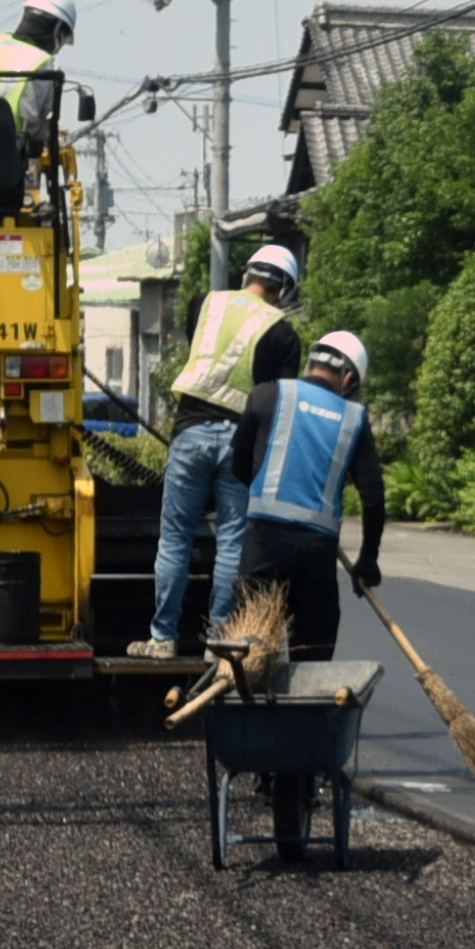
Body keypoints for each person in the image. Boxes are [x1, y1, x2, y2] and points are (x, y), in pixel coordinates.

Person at [145, 242, 300, 653]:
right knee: (232, 541)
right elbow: (280, 401)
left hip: (190, 431)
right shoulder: (284, 332)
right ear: (284, 288)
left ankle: (163, 638)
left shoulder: (205, 303)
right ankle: (220, 640)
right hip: (241, 442)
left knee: (175, 536)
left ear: (247, 273)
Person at [231, 325, 392, 661]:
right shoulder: (355, 418)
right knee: (315, 647)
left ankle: (249, 704)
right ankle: (307, 710)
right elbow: (373, 497)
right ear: (348, 378)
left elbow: (239, 466)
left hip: (265, 543)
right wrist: (368, 559)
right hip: (316, 553)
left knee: (249, 644)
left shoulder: (266, 394)